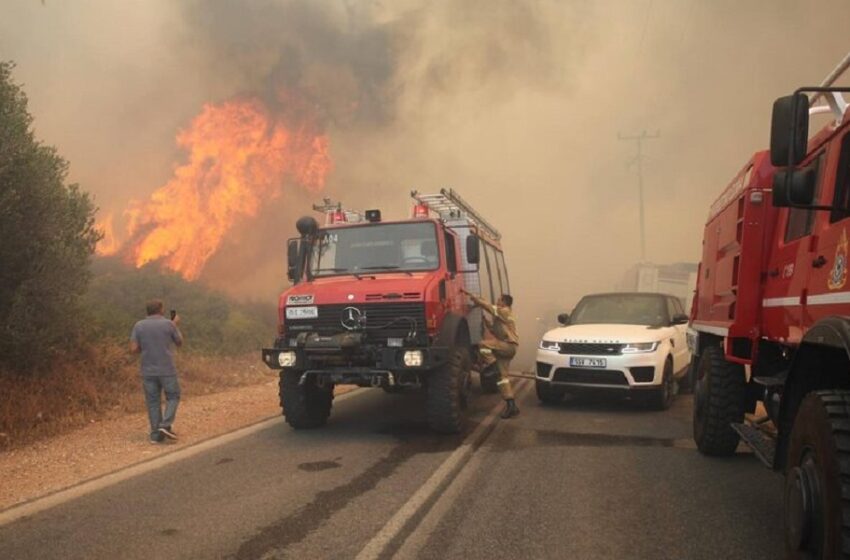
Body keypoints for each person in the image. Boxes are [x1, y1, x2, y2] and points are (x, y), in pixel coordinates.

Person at [130, 300, 184, 444]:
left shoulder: (138, 325)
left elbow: (134, 349)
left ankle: (156, 436)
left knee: (153, 402)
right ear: (160, 310)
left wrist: (147, 346)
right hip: (166, 369)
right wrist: (175, 325)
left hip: (147, 370)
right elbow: (179, 342)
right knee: (173, 396)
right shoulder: (168, 324)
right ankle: (165, 425)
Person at [462, 289, 520, 419]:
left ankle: (492, 366)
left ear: (504, 302)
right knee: (502, 379)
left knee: (483, 344)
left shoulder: (504, 311)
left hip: (508, 346)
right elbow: (495, 330)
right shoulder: (501, 316)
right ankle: (511, 405)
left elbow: (489, 307)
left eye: (500, 300)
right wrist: (485, 321)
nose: (497, 301)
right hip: (506, 347)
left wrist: (475, 298)